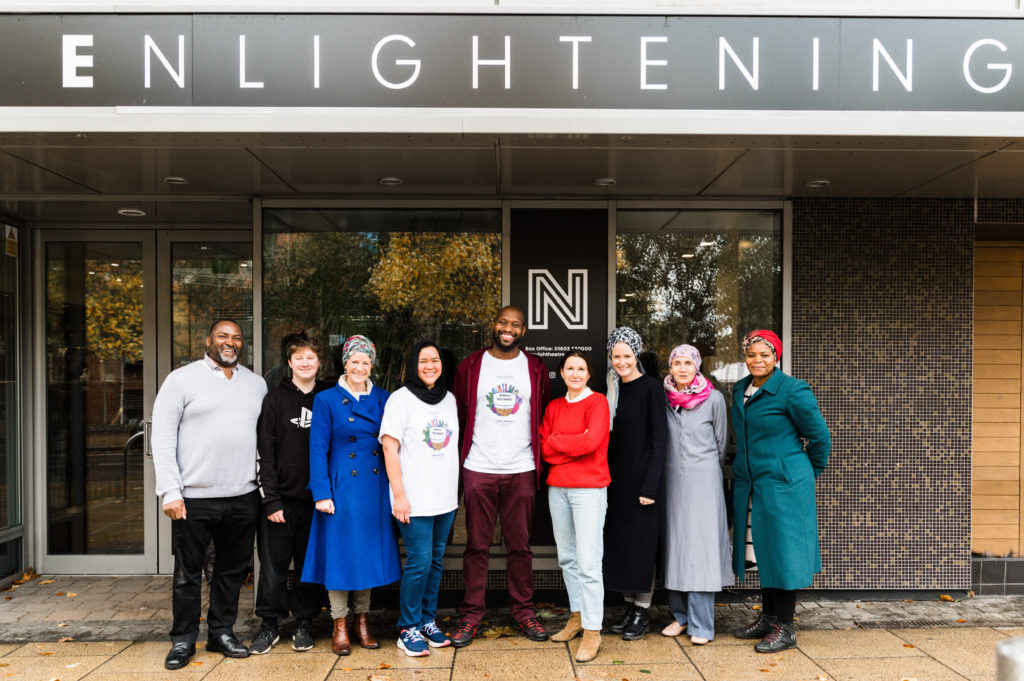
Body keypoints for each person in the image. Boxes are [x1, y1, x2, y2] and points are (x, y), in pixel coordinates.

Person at [152, 319, 267, 670]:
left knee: (232, 570)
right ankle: (183, 640)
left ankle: (221, 633)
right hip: (193, 497)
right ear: (208, 341)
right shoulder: (180, 380)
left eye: (236, 338)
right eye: (223, 336)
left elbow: (264, 440)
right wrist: (170, 491)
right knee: (187, 574)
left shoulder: (256, 384)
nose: (229, 343)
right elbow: (162, 437)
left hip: (243, 494)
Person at [451, 306, 551, 647]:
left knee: (520, 548)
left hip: (521, 469)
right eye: (502, 322)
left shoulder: (535, 367)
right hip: (479, 467)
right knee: (476, 547)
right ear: (493, 325)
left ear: (523, 331)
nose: (508, 329)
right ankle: (470, 618)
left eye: (515, 325)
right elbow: (460, 414)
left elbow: (542, 414)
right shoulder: (471, 366)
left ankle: (524, 613)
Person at [731, 330, 831, 653]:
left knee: (784, 553)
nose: (757, 360)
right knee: (763, 551)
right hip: (753, 483)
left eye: (765, 354)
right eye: (751, 355)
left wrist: (801, 473)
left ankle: (786, 627)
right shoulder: (740, 389)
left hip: (784, 484)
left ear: (777, 356)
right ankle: (769, 617)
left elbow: (820, 439)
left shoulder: (792, 390)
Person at [301, 335, 399, 656]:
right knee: (340, 557)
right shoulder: (327, 399)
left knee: (367, 556)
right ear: (346, 364)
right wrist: (321, 493)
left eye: (366, 362)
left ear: (372, 365)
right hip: (340, 488)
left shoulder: (385, 398)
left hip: (374, 489)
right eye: (355, 361)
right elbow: (318, 449)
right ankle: (340, 623)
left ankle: (363, 621)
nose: (360, 367)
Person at [249, 333, 330, 655]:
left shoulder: (328, 397)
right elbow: (264, 453)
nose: (305, 362)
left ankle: (304, 622)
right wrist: (270, 500)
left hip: (318, 500)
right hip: (280, 501)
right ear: (290, 362)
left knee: (309, 565)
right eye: (299, 357)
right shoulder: (274, 400)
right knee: (273, 567)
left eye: (311, 357)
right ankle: (269, 624)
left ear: (319, 361)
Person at [380, 341, 460, 657]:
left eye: (435, 360)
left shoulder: (450, 399)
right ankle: (407, 627)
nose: (429, 365)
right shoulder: (400, 400)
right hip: (413, 498)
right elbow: (389, 448)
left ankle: (428, 621)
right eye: (423, 360)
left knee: (436, 562)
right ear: (413, 364)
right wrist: (399, 494)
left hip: (445, 498)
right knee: (419, 562)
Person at [539, 350, 610, 663]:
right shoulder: (554, 406)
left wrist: (560, 441)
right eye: (570, 368)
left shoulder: (598, 403)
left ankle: (593, 630)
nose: (576, 374)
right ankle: (577, 615)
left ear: (589, 373)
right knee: (567, 558)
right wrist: (570, 444)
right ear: (562, 372)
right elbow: (544, 446)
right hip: (558, 489)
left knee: (588, 561)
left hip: (589, 490)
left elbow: (592, 442)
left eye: (581, 368)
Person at [660, 344, 732, 645]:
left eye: (688, 363)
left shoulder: (713, 399)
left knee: (701, 551)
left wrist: (701, 469)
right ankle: (680, 616)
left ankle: (702, 624)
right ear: (670, 367)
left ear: (697, 366)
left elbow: (721, 442)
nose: (683, 368)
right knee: (675, 547)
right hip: (671, 481)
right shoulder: (662, 398)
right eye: (677, 363)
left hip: (704, 482)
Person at [603, 326, 668, 641]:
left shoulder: (651, 388)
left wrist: (650, 486)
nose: (621, 361)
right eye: (616, 356)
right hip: (616, 483)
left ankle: (642, 611)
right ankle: (630, 608)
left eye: (627, 355)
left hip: (643, 483)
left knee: (642, 548)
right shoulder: (612, 389)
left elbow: (660, 440)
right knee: (622, 547)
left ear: (637, 355)